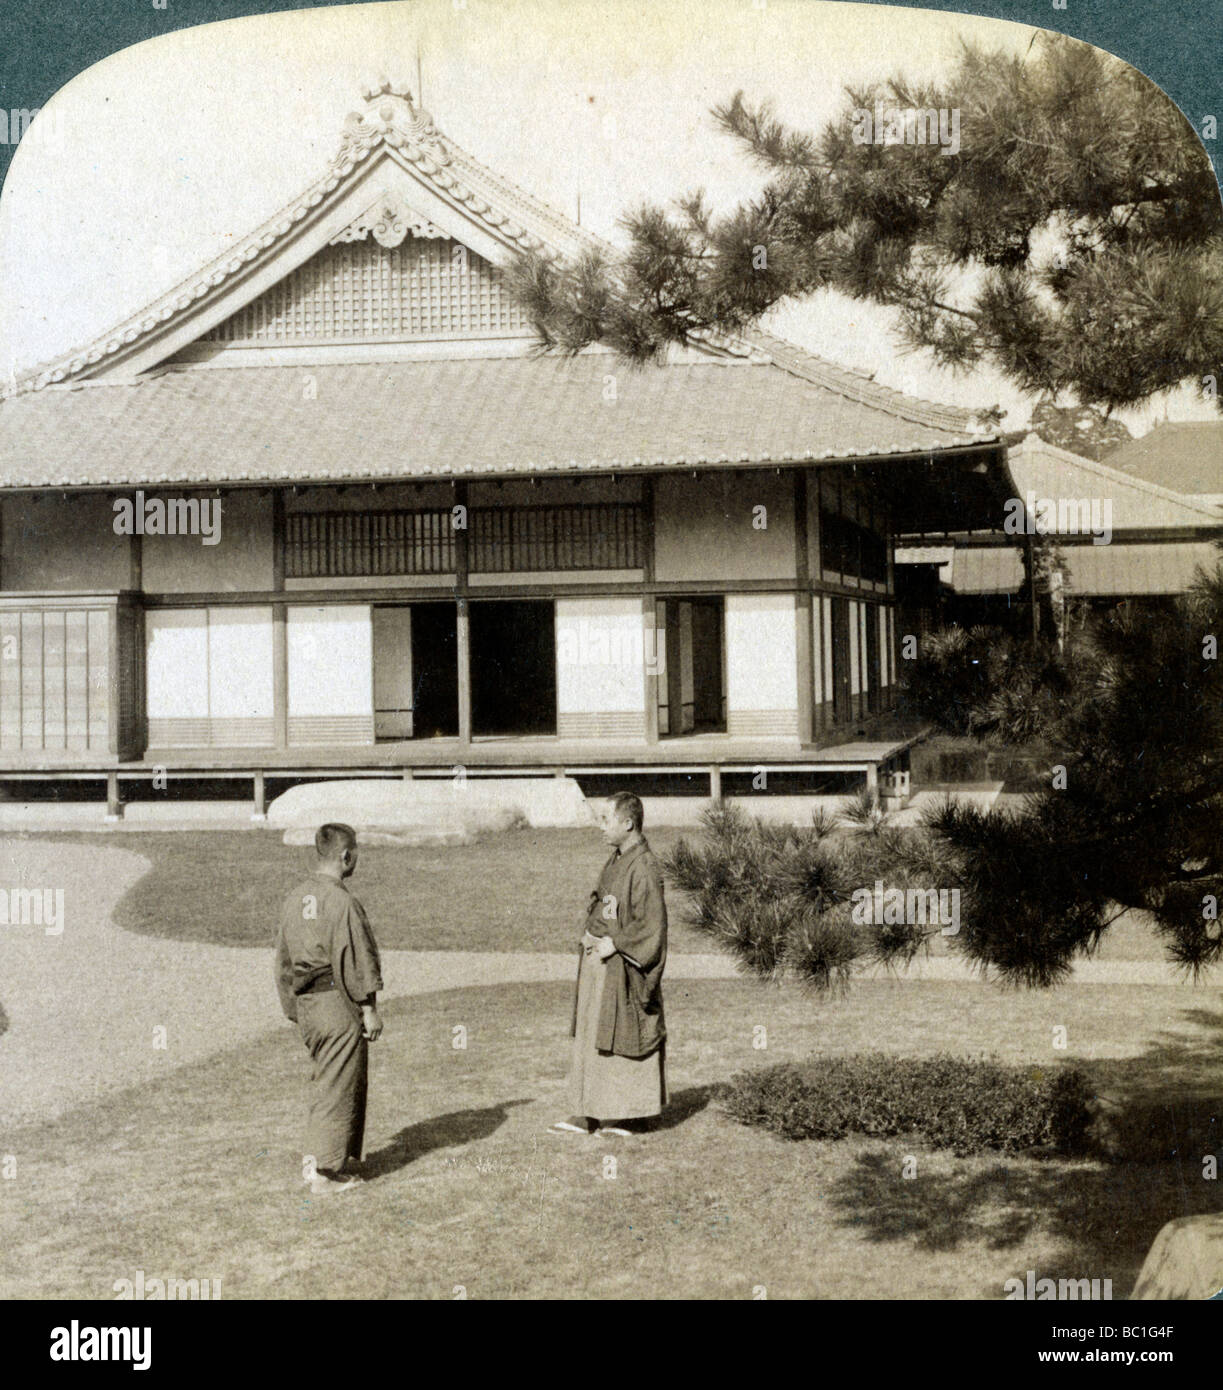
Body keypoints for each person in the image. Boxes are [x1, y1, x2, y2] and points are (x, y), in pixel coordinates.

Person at [275, 822, 383, 1196]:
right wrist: (369, 1007)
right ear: (345, 856)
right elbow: (358, 960)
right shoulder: (343, 902)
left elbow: (283, 963)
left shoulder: (294, 898)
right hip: (337, 1005)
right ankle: (323, 1171)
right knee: (338, 1086)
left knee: (325, 1082)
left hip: (308, 1006)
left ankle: (318, 1160)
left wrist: (295, 1008)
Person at [551, 792, 668, 1137]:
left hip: (620, 964)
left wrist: (615, 944)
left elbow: (652, 926)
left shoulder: (644, 866)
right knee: (591, 1034)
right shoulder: (618, 858)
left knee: (622, 1034)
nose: (600, 826)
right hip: (597, 960)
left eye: (606, 819)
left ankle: (630, 1114)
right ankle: (587, 1111)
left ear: (628, 823)